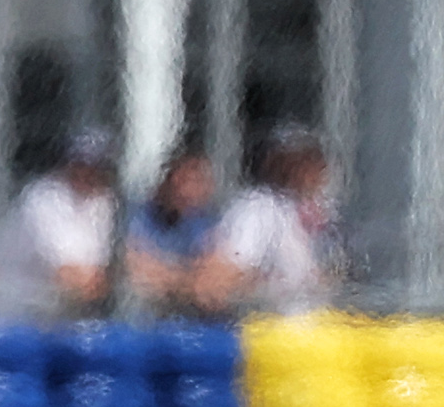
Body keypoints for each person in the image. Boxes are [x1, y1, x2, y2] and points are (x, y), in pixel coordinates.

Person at [200, 121, 339, 312]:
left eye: (316, 161)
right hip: (271, 331)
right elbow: (226, 274)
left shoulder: (308, 210)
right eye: (301, 161)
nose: (316, 171)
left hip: (314, 329)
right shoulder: (258, 210)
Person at [0, 125, 122, 316]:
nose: (89, 172)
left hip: (68, 313)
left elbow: (103, 271)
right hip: (20, 313)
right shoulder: (42, 198)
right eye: (82, 164)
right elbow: (66, 275)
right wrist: (111, 282)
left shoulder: (103, 201)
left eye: (98, 165)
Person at [123, 148, 224, 313]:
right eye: (184, 180)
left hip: (186, 321)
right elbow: (133, 270)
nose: (191, 190)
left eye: (199, 182)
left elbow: (214, 281)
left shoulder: (201, 222)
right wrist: (188, 279)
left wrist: (168, 277)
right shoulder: (135, 216)